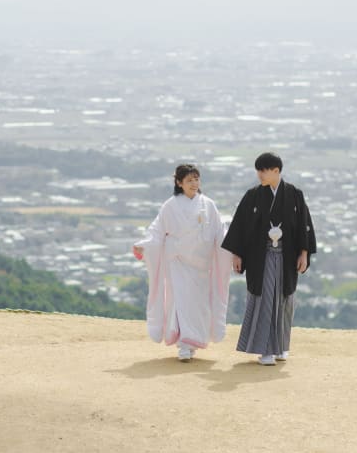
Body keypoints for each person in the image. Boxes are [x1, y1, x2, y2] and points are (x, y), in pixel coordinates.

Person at [221, 152, 317, 365]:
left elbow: (304, 226)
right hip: (260, 256)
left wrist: (304, 253)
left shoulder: (294, 194)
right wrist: (237, 254)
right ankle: (265, 350)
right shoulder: (252, 195)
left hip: (286, 255)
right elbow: (240, 226)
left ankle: (281, 346)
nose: (259, 174)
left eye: (263, 170)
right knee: (264, 299)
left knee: (284, 300)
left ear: (276, 171)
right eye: (258, 170)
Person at [133, 163, 233, 362]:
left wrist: (233, 247)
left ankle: (194, 339)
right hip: (177, 260)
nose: (194, 183)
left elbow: (220, 232)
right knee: (180, 300)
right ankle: (184, 344)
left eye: (196, 179)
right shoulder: (170, 205)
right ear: (179, 183)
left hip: (201, 264)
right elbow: (157, 231)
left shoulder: (208, 204)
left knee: (198, 303)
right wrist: (144, 245)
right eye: (189, 180)